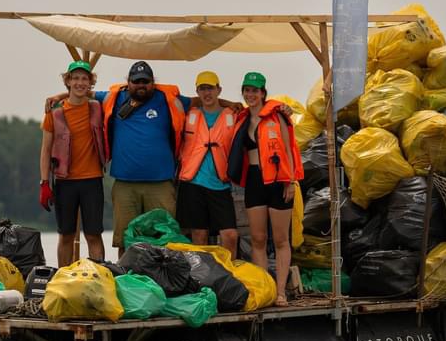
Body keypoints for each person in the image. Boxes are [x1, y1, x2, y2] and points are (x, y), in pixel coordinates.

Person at [97, 61, 191, 256]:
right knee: (124, 240)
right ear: (128, 82)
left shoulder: (167, 99)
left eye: (145, 81)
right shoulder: (114, 99)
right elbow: (82, 94)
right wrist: (59, 96)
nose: (141, 85)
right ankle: (125, 281)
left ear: (153, 83)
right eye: (136, 81)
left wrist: (231, 104)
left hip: (161, 184)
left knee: (166, 239)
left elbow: (201, 101)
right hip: (125, 184)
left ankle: (164, 282)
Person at [227, 71, 304, 306]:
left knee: (281, 239)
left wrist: (290, 180)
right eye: (247, 90)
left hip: (278, 180)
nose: (251, 95)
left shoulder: (276, 115)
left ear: (263, 93)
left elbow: (289, 147)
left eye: (255, 91)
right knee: (258, 238)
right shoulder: (242, 118)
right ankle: (266, 290)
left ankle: (281, 292)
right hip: (254, 179)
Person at [39, 60, 106, 267]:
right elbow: (46, 150)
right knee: (65, 235)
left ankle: (99, 275)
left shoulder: (97, 107)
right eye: (75, 78)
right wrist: (44, 183)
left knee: (93, 235)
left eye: (84, 79)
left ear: (90, 82)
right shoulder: (55, 113)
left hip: (92, 179)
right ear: (68, 81)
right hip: (65, 181)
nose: (80, 83)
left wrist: (59, 94)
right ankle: (63, 278)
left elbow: (116, 94)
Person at [176, 71, 240, 258]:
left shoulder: (233, 114)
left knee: (230, 235)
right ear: (197, 92)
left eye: (210, 88)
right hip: (193, 183)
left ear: (219, 89)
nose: (207, 93)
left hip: (220, 184)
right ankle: (203, 277)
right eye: (202, 89)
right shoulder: (189, 114)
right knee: (199, 234)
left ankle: (229, 274)